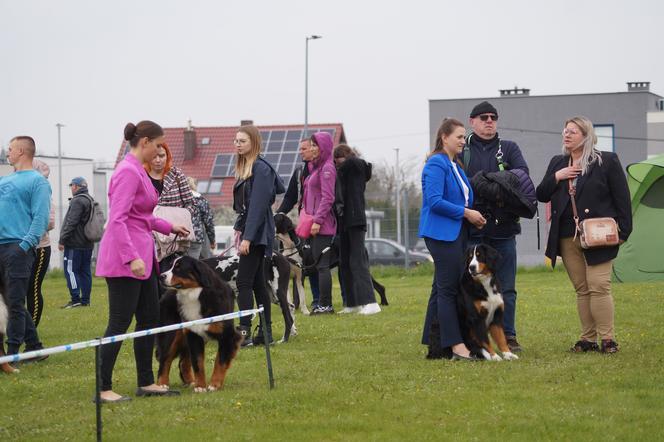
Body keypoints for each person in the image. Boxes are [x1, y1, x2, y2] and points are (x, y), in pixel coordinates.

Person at [95, 121, 190, 403]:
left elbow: (142, 216)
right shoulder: (127, 172)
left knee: (149, 318)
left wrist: (169, 227)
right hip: (126, 260)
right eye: (158, 145)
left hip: (145, 259)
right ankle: (103, 388)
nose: (160, 151)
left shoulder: (138, 170)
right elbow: (118, 220)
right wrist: (131, 257)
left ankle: (146, 381)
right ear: (145, 142)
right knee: (119, 322)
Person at [536, 116, 632, 354]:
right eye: (565, 131)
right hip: (567, 235)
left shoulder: (606, 161)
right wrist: (558, 176)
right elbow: (541, 194)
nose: (566, 135)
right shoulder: (558, 162)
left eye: (572, 132)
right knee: (582, 288)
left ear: (586, 135)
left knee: (599, 285)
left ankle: (608, 339)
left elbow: (622, 198)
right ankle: (587, 339)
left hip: (600, 234)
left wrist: (624, 231)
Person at [463, 101, 529, 352]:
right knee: (471, 288)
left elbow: (520, 176)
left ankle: (508, 336)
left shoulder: (509, 148)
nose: (489, 121)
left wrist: (480, 181)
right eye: (483, 117)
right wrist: (496, 184)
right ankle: (473, 337)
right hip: (472, 232)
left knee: (507, 288)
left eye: (493, 117)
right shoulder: (463, 150)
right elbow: (458, 182)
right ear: (472, 122)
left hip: (504, 230)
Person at [420, 118, 487, 360]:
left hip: (457, 234)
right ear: (444, 137)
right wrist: (467, 213)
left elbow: (463, 198)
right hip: (441, 235)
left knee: (440, 290)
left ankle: (435, 344)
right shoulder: (436, 164)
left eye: (463, 137)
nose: (463, 141)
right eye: (459, 136)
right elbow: (435, 201)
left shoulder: (454, 165)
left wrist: (473, 215)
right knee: (448, 290)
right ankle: (456, 346)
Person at [232, 125, 285, 346]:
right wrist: (240, 229)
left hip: (258, 233)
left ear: (254, 142)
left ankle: (243, 333)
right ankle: (265, 333)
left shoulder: (261, 168)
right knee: (256, 283)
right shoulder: (246, 166)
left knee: (244, 282)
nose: (237, 144)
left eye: (242, 141)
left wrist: (248, 238)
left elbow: (258, 206)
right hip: (250, 230)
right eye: (236, 141)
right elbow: (245, 206)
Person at [0, 136, 50, 360]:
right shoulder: (4, 181)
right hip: (1, 247)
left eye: (10, 149)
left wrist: (24, 246)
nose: (7, 152)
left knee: (16, 302)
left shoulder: (37, 181)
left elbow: (40, 219)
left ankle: (11, 355)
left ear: (21, 151)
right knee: (11, 301)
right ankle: (35, 346)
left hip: (17, 248)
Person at [333, 144, 380, 315]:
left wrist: (338, 164)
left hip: (355, 219)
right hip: (344, 220)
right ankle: (352, 303)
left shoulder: (355, 166)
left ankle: (370, 302)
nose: (338, 166)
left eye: (339, 162)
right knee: (344, 261)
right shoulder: (345, 171)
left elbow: (355, 162)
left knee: (357, 261)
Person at [276, 138, 321, 308]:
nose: (300, 152)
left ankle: (320, 301)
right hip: (304, 221)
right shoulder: (299, 171)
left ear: (314, 149)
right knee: (303, 261)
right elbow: (290, 197)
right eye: (299, 148)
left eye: (304, 148)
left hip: (321, 221)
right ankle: (299, 302)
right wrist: (279, 214)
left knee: (317, 261)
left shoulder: (323, 168)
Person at [145, 142, 196, 267]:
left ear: (167, 156)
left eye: (161, 156)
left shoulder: (176, 174)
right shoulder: (141, 175)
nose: (158, 160)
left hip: (174, 239)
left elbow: (190, 203)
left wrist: (181, 217)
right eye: (154, 156)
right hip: (148, 234)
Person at [302, 132, 337, 315]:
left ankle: (326, 305)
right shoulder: (316, 167)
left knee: (323, 266)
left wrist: (317, 221)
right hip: (314, 223)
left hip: (323, 226)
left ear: (324, 147)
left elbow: (328, 198)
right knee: (318, 266)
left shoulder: (327, 169)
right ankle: (322, 303)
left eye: (316, 145)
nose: (313, 148)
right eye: (312, 145)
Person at [27, 159, 56, 327]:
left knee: (33, 288)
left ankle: (31, 329)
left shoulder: (43, 189)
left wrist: (29, 228)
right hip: (21, 247)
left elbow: (50, 221)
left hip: (40, 247)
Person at [58, 177, 94, 308]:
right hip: (88, 243)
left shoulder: (78, 201)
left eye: (72, 185)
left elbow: (71, 222)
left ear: (76, 186)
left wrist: (62, 239)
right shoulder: (90, 199)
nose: (71, 188)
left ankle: (75, 299)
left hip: (74, 244)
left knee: (71, 271)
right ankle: (85, 300)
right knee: (85, 272)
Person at [186, 177, 216, 260]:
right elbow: (208, 222)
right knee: (192, 263)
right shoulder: (201, 200)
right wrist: (212, 240)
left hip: (179, 236)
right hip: (196, 237)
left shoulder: (178, 199)